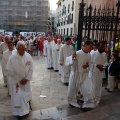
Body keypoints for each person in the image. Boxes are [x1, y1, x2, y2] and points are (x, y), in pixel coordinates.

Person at [6, 41, 33, 116]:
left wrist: (27, 78)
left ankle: (26, 111)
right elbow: (10, 71)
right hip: (16, 82)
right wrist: (20, 79)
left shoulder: (28, 56)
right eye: (20, 49)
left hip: (26, 81)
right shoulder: (12, 58)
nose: (22, 51)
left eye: (23, 49)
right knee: (18, 96)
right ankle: (18, 113)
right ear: (17, 49)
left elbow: (31, 68)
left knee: (26, 96)